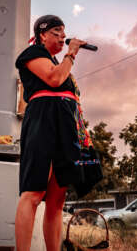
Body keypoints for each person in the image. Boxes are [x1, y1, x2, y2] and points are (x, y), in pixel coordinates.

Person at [14, 15, 88, 251]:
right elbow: (54, 79)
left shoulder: (60, 62)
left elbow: (68, 91)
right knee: (34, 192)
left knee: (57, 200)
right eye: (57, 31)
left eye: (64, 33)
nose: (62, 37)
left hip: (65, 125)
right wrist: (72, 53)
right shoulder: (32, 54)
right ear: (42, 34)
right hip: (42, 121)